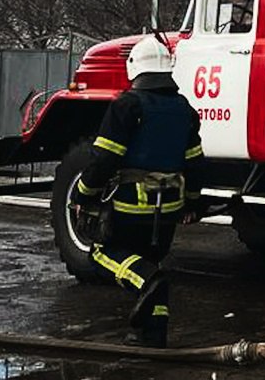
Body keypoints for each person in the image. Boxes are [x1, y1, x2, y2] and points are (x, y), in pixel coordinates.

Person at [68, 36, 205, 348]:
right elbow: (196, 163)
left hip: (131, 206)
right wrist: (193, 204)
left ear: (135, 70)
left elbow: (104, 159)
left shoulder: (126, 106)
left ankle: (149, 284)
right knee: (149, 262)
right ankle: (152, 335)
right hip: (170, 208)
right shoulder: (185, 109)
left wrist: (83, 196)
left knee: (104, 255)